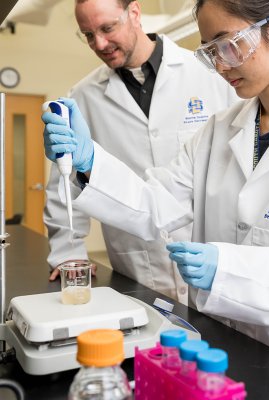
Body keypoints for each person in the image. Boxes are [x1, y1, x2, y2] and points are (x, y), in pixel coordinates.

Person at [42, 0, 269, 397]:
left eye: (227, 44)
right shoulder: (218, 130)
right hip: (227, 352)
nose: (220, 65)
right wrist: (91, 162)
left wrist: (228, 270)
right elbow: (156, 203)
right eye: (209, 50)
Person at [44, 0, 238, 303]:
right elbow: (63, 183)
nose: (100, 43)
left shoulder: (207, 73)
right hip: (136, 262)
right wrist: (68, 251)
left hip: (211, 256)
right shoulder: (83, 96)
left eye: (108, 28)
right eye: (88, 35)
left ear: (135, 13)